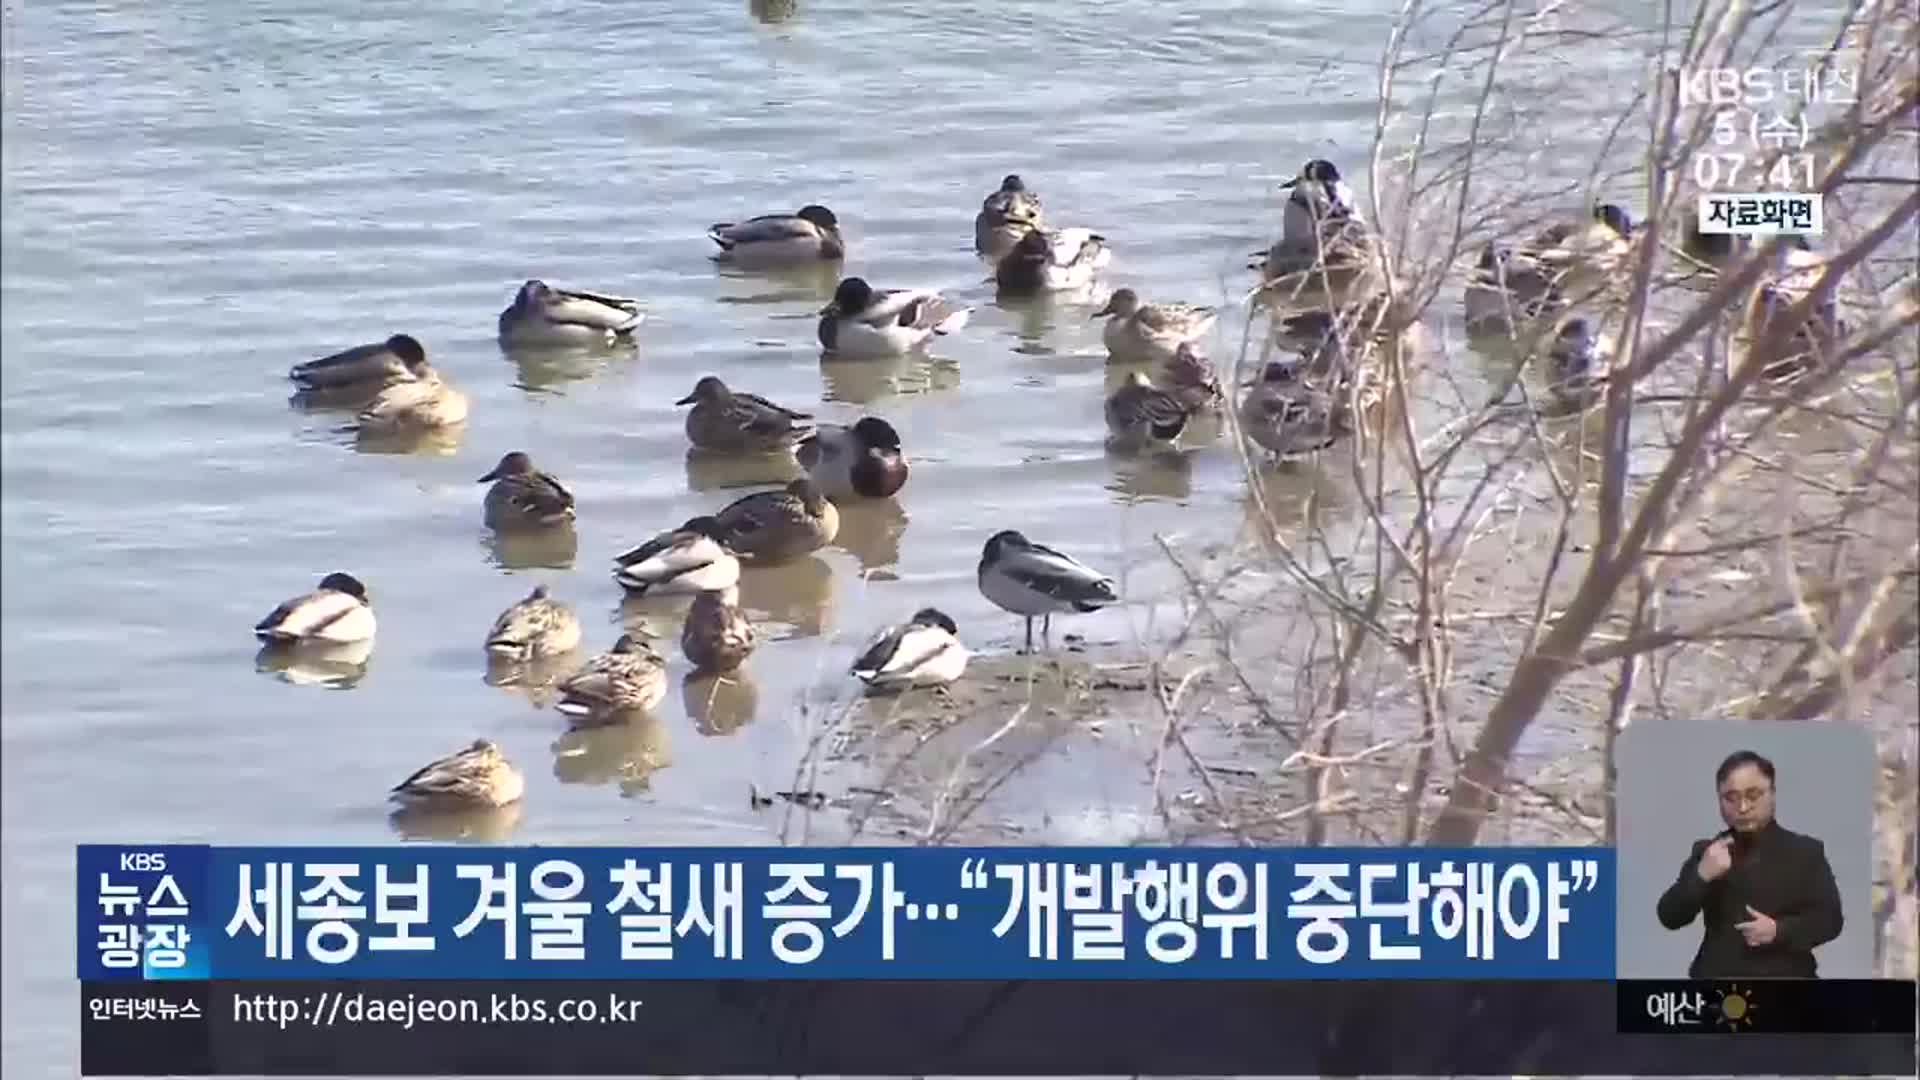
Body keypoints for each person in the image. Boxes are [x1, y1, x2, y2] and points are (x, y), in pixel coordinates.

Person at [1655, 749, 1844, 978]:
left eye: (1753, 795)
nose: (1742, 808)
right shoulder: (1709, 851)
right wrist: (1701, 876)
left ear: (1772, 793)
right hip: (1718, 988)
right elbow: (1669, 916)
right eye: (1730, 798)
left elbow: (1830, 920)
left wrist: (1778, 931)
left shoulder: (1806, 851)